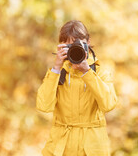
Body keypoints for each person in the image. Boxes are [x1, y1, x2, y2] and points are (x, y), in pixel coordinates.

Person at [36, 20, 118, 156]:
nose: (75, 49)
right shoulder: (57, 73)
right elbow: (44, 106)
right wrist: (56, 68)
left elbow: (108, 105)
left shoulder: (100, 72)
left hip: (92, 149)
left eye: (79, 44)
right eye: (70, 45)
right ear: (62, 46)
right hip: (61, 148)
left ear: (88, 42)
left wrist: (87, 72)